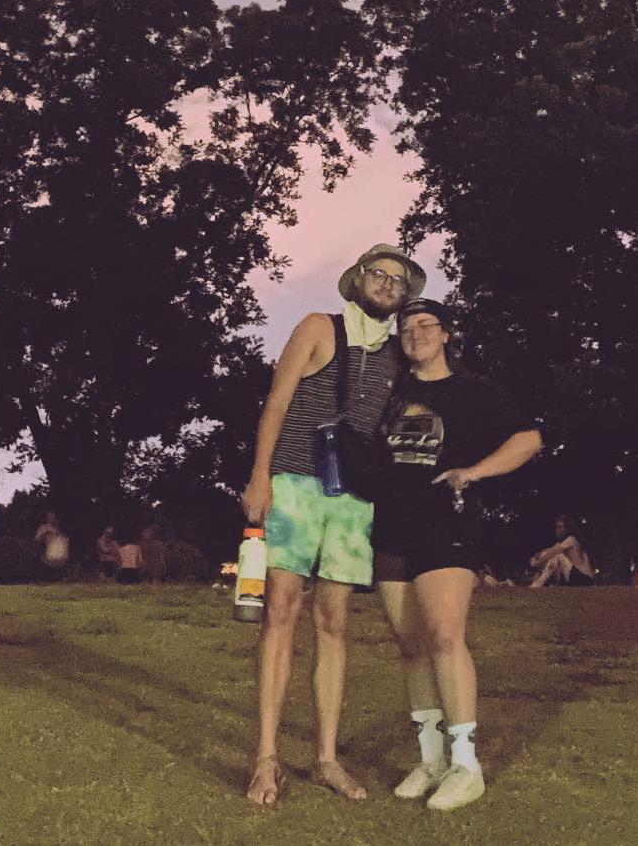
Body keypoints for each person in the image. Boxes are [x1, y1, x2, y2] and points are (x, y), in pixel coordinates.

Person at [241, 243, 426, 805]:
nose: (387, 284)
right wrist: (260, 476)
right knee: (280, 610)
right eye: (379, 274)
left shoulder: (399, 354)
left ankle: (326, 758)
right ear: (358, 279)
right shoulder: (319, 327)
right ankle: (266, 758)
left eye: (398, 280)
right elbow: (276, 403)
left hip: (352, 498)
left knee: (335, 621)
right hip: (295, 481)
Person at [375, 298, 543, 812]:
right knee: (411, 646)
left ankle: (466, 765)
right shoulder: (391, 392)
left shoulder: (473, 390)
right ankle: (431, 760)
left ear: (447, 334)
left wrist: (473, 473)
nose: (416, 334)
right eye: (407, 328)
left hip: (446, 524)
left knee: (445, 637)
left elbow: (529, 440)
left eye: (426, 325)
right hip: (391, 525)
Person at [528, 515, 595, 588]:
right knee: (548, 555)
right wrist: (538, 555)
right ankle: (543, 581)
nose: (557, 530)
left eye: (560, 527)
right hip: (575, 576)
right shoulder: (563, 542)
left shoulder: (571, 539)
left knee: (557, 556)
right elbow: (549, 550)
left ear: (567, 529)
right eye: (556, 527)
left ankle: (538, 583)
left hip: (583, 578)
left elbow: (553, 552)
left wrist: (537, 562)